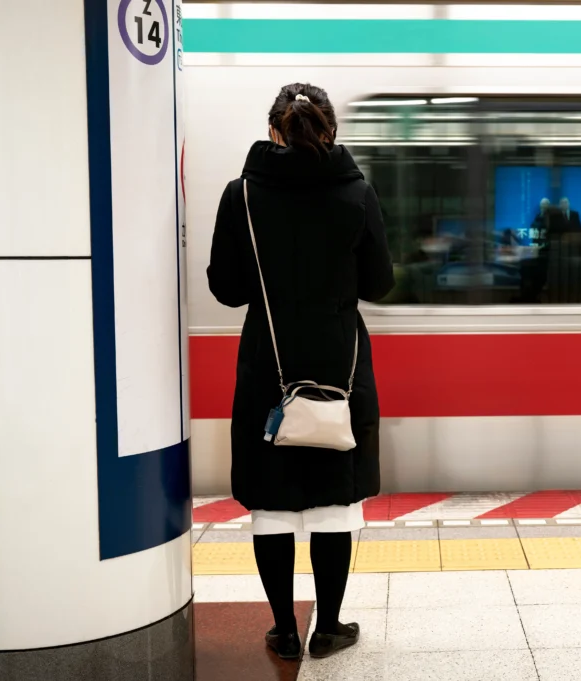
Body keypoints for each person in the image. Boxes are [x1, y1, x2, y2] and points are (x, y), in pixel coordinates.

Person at [206, 83, 394, 660]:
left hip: (270, 367)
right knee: (334, 501)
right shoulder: (358, 193)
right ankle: (330, 626)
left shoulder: (240, 196)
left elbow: (226, 289)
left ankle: (285, 631)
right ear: (330, 131)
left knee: (273, 502)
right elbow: (380, 283)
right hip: (339, 364)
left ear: (274, 132)